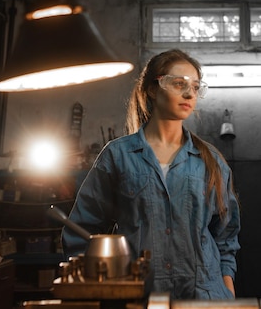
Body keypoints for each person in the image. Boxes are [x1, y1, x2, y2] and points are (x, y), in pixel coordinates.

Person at [62, 49, 241, 300]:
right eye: (179, 84)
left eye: (196, 87)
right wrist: (95, 289)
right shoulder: (118, 156)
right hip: (136, 297)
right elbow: (80, 230)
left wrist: (227, 292)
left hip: (202, 299)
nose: (190, 93)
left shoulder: (210, 161)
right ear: (153, 89)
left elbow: (225, 238)